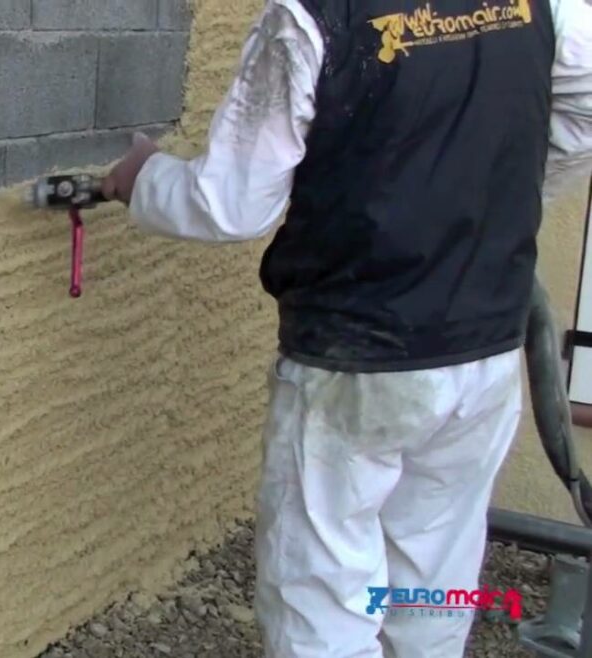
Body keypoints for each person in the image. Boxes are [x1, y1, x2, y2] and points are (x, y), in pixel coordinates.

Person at [102, 0, 592, 655]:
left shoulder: (310, 16)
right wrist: (487, 198)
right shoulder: (539, 5)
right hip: (483, 353)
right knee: (435, 575)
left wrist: (145, 177)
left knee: (322, 592)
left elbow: (229, 205)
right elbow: (586, 104)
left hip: (358, 356)